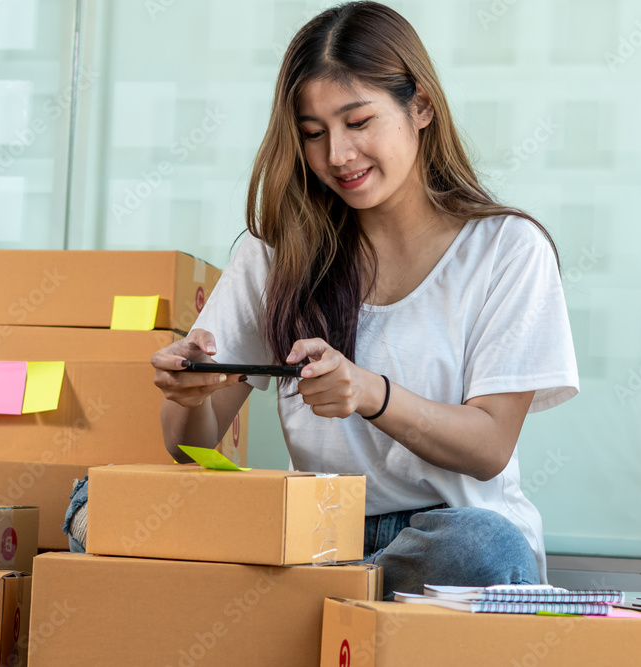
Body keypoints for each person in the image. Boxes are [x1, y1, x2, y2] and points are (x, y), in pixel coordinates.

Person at [66, 0, 578, 596]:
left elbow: (489, 446)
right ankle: (318, 590)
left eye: (358, 122)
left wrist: (369, 393)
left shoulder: (506, 248)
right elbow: (193, 448)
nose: (338, 155)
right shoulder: (276, 254)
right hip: (315, 531)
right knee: (97, 501)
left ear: (421, 107)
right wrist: (190, 394)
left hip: (442, 541)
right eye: (313, 134)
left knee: (481, 547)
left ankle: (293, 595)